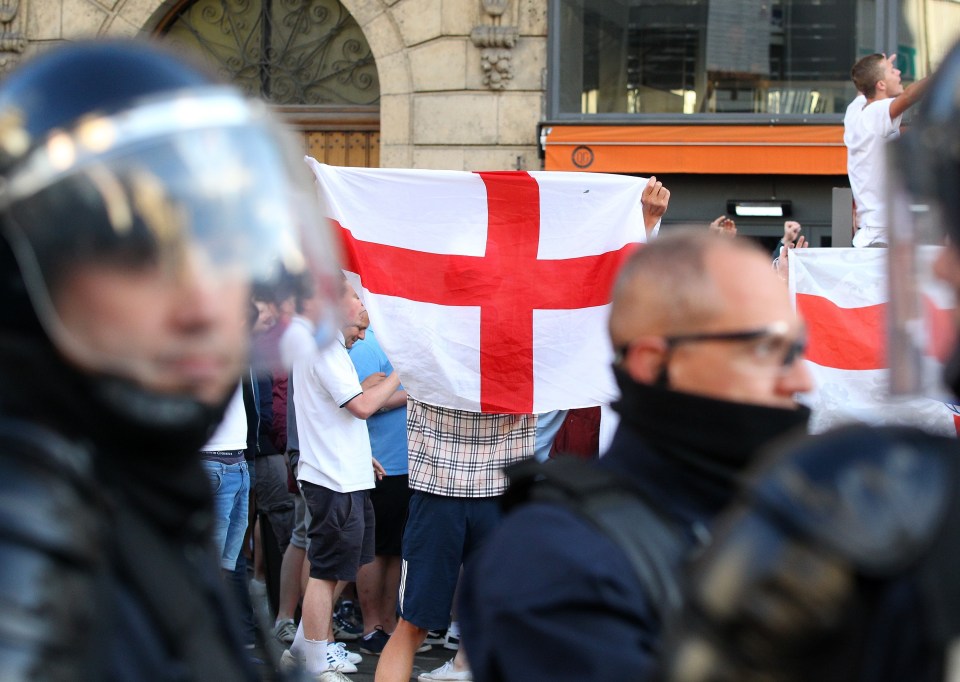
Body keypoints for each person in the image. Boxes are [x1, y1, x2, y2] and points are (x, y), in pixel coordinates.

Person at [0, 39, 342, 680]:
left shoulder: (140, 491)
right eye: (140, 258)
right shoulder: (27, 538)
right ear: (24, 271)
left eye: (227, 255)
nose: (203, 307)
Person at [659, 39, 960, 682]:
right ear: (876, 86)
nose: (899, 77)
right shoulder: (871, 113)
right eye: (893, 74)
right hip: (882, 250)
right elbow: (914, 97)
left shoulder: (868, 121)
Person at [459, 230, 813, 682]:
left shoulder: (788, 520)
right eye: (768, 348)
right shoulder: (557, 558)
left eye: (798, 350)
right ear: (655, 363)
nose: (801, 380)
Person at [281, 279, 400, 678]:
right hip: (331, 480)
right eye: (358, 307)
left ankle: (303, 649)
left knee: (339, 569)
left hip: (344, 475)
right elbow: (363, 406)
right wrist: (402, 372)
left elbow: (333, 413)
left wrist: (360, 454)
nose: (361, 336)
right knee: (326, 572)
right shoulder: (321, 344)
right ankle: (314, 662)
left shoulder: (327, 344)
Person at [348, 328, 411, 652]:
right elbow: (363, 401)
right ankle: (372, 626)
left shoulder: (404, 339)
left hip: (409, 463)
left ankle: (388, 625)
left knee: (398, 549)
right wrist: (415, 392)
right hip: (380, 461)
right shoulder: (367, 343)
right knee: (372, 550)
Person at [845, 52, 929, 247]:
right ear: (880, 85)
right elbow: (909, 96)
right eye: (893, 70)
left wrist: (879, 69)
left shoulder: (855, 111)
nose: (898, 72)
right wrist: (944, 74)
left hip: (872, 234)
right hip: (882, 239)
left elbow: (863, 86)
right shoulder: (876, 113)